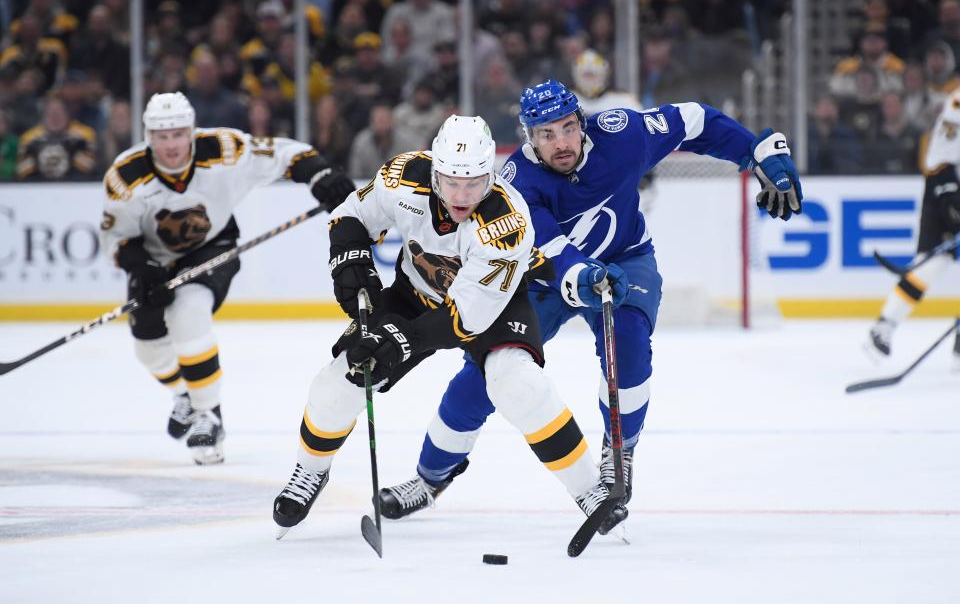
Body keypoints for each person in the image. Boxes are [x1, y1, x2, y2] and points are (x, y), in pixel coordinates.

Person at [377, 79, 803, 521]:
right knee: (483, 374)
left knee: (630, 339)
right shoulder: (515, 185)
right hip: (544, 278)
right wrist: (582, 275)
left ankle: (620, 452)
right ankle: (429, 477)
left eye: (566, 128)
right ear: (528, 137)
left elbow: (695, 120)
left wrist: (755, 151)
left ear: (581, 122)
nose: (560, 143)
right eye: (545, 134)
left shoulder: (622, 133)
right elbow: (553, 249)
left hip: (627, 256)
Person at [272, 115, 626, 538]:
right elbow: (352, 214)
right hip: (414, 292)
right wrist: (348, 256)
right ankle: (309, 473)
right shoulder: (404, 176)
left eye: (474, 182)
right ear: (435, 169)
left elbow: (465, 319)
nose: (462, 194)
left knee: (516, 383)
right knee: (339, 380)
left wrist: (401, 339)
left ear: (489, 176)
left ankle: (590, 491)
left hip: (492, 307)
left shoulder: (506, 223)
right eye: (452, 181)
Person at [100, 92, 354, 464]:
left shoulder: (224, 149)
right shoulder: (125, 176)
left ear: (192, 130)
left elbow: (286, 153)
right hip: (153, 260)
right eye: (161, 135)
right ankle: (185, 396)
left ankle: (209, 416)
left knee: (188, 314)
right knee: (148, 347)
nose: (171, 145)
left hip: (212, 247)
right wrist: (140, 267)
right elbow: (116, 237)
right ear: (148, 136)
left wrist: (321, 175)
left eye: (178, 134)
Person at [866, 87, 960, 361]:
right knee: (930, 264)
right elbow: (940, 156)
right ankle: (884, 326)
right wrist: (950, 197)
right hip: (944, 187)